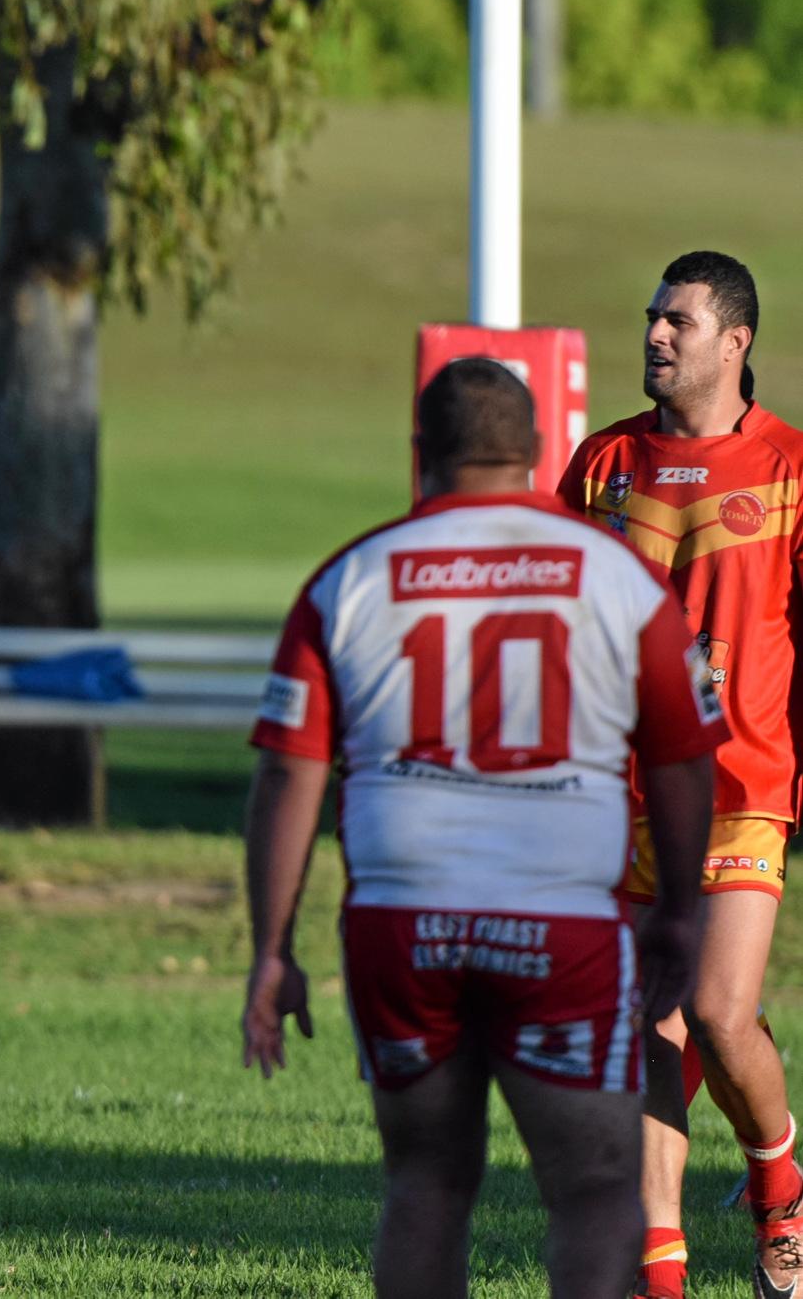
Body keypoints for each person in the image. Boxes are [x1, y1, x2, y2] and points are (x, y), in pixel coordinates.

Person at [244, 357, 722, 1299]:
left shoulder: (350, 577)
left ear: (422, 451)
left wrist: (272, 946)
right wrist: (676, 908)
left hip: (400, 920)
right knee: (592, 1188)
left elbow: (289, 768)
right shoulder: (619, 578)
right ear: (538, 452)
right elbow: (681, 755)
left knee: (426, 1181)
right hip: (560, 924)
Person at [556, 250, 803, 1299]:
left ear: (734, 343)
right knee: (644, 1035)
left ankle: (780, 1191)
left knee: (714, 1011)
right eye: (652, 317)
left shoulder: (791, 466)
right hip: (624, 796)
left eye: (679, 323)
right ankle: (663, 1283)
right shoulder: (604, 463)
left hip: (747, 784)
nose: (655, 336)